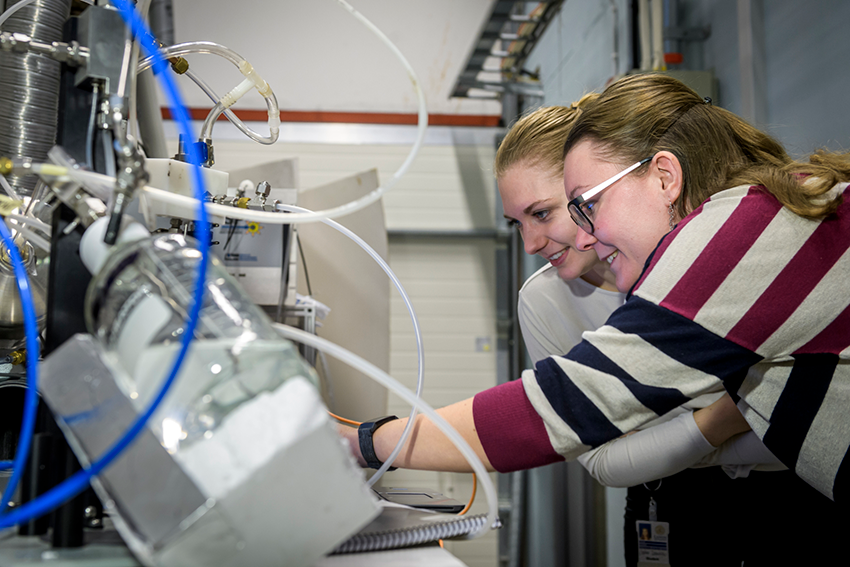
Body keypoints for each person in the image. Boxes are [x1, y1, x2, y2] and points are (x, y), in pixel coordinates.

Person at [340, 74, 849, 560]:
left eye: (585, 205)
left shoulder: (737, 240)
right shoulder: (780, 207)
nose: (582, 237)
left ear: (665, 176)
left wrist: (366, 442)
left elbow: (553, 411)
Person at [496, 100, 784, 566]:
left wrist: (676, 437)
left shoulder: (716, 254)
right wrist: (732, 414)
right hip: (668, 505)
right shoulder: (543, 301)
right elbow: (603, 458)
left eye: (544, 213)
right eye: (517, 223)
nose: (529, 244)